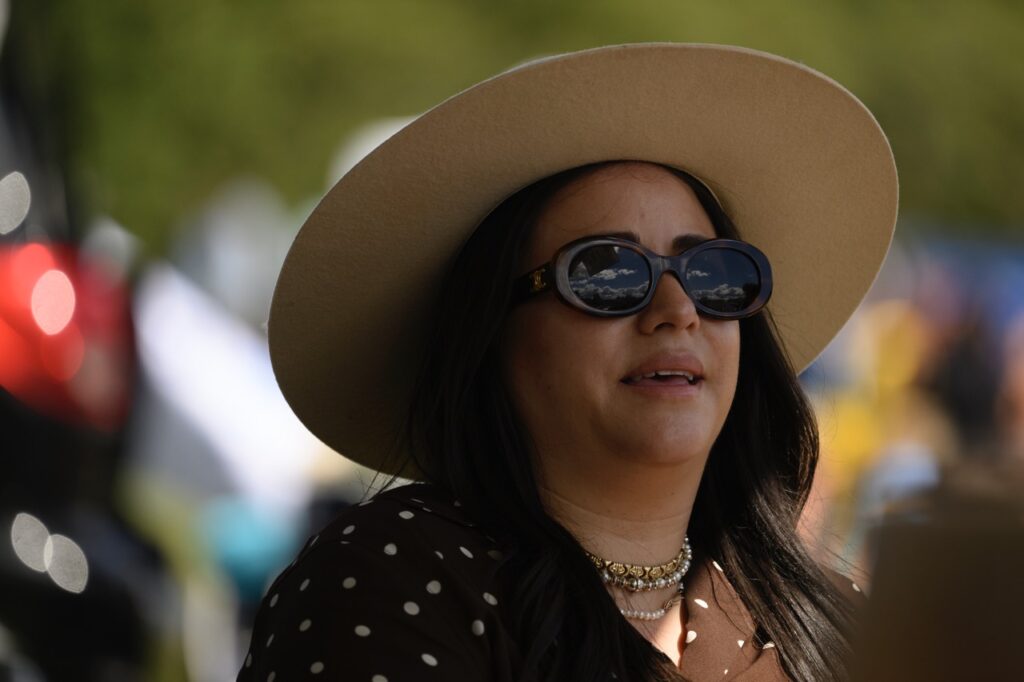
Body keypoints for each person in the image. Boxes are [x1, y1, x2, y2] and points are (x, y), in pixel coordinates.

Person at [237, 43, 897, 681]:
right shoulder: (395, 577)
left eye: (713, 273)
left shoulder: (827, 624)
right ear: (493, 333)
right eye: (607, 274)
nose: (679, 309)